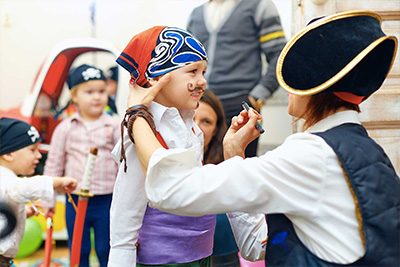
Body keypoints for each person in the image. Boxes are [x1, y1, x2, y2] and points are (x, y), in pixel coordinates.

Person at [122, 11, 400, 265]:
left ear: (313, 85)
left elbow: (172, 189)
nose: (284, 86)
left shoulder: (310, 155)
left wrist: (136, 116)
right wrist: (233, 153)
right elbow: (260, 244)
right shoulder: (363, 149)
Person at [108, 26, 218, 267]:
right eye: (192, 71)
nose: (202, 81)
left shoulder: (190, 127)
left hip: (201, 257)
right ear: (157, 77)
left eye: (203, 71)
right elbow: (125, 214)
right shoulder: (141, 131)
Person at [187, 0, 286, 157]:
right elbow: (188, 62)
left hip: (239, 105)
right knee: (198, 164)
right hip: (201, 105)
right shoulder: (196, 14)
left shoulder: (259, 6)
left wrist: (256, 98)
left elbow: (280, 57)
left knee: (239, 169)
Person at [44, 64, 120, 267]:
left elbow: (123, 162)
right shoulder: (65, 128)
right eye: (89, 92)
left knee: (107, 247)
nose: (97, 97)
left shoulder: (113, 125)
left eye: (102, 91)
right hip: (74, 199)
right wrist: (48, 200)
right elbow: (54, 164)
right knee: (79, 248)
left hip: (107, 200)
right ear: (75, 96)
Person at [0, 117, 77, 267]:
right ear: (8, 154)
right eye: (32, 150)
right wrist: (56, 182)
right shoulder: (4, 179)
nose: (39, 155)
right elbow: (21, 187)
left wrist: (22, 212)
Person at [194, 90, 239, 266]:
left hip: (223, 256)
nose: (196, 127)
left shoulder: (228, 165)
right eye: (191, 117)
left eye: (206, 122)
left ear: (215, 130)